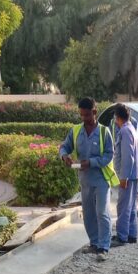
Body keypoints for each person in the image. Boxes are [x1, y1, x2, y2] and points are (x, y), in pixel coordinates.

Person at [60, 97, 118, 262]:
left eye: (87, 115)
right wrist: (64, 156)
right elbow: (65, 146)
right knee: (89, 214)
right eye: (81, 115)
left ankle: (103, 247)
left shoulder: (104, 132)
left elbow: (109, 155)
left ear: (94, 112)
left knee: (102, 212)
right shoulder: (76, 131)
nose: (84, 118)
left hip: (101, 179)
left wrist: (91, 162)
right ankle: (94, 243)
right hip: (85, 180)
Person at [111, 103, 138, 247]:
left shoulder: (124, 131)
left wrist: (124, 177)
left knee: (123, 206)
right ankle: (131, 234)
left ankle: (122, 236)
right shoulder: (131, 128)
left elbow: (128, 157)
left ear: (117, 117)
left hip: (128, 175)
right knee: (131, 206)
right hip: (134, 174)